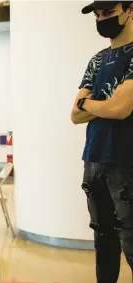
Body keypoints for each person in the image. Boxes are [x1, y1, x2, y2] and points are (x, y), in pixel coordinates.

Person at [72, 1, 133, 282]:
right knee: (103, 243)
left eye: (108, 12)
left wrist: (90, 102)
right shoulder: (97, 59)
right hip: (94, 159)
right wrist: (104, 103)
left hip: (126, 163)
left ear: (130, 10)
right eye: (97, 15)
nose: (101, 19)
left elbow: (122, 109)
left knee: (131, 243)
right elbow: (75, 114)